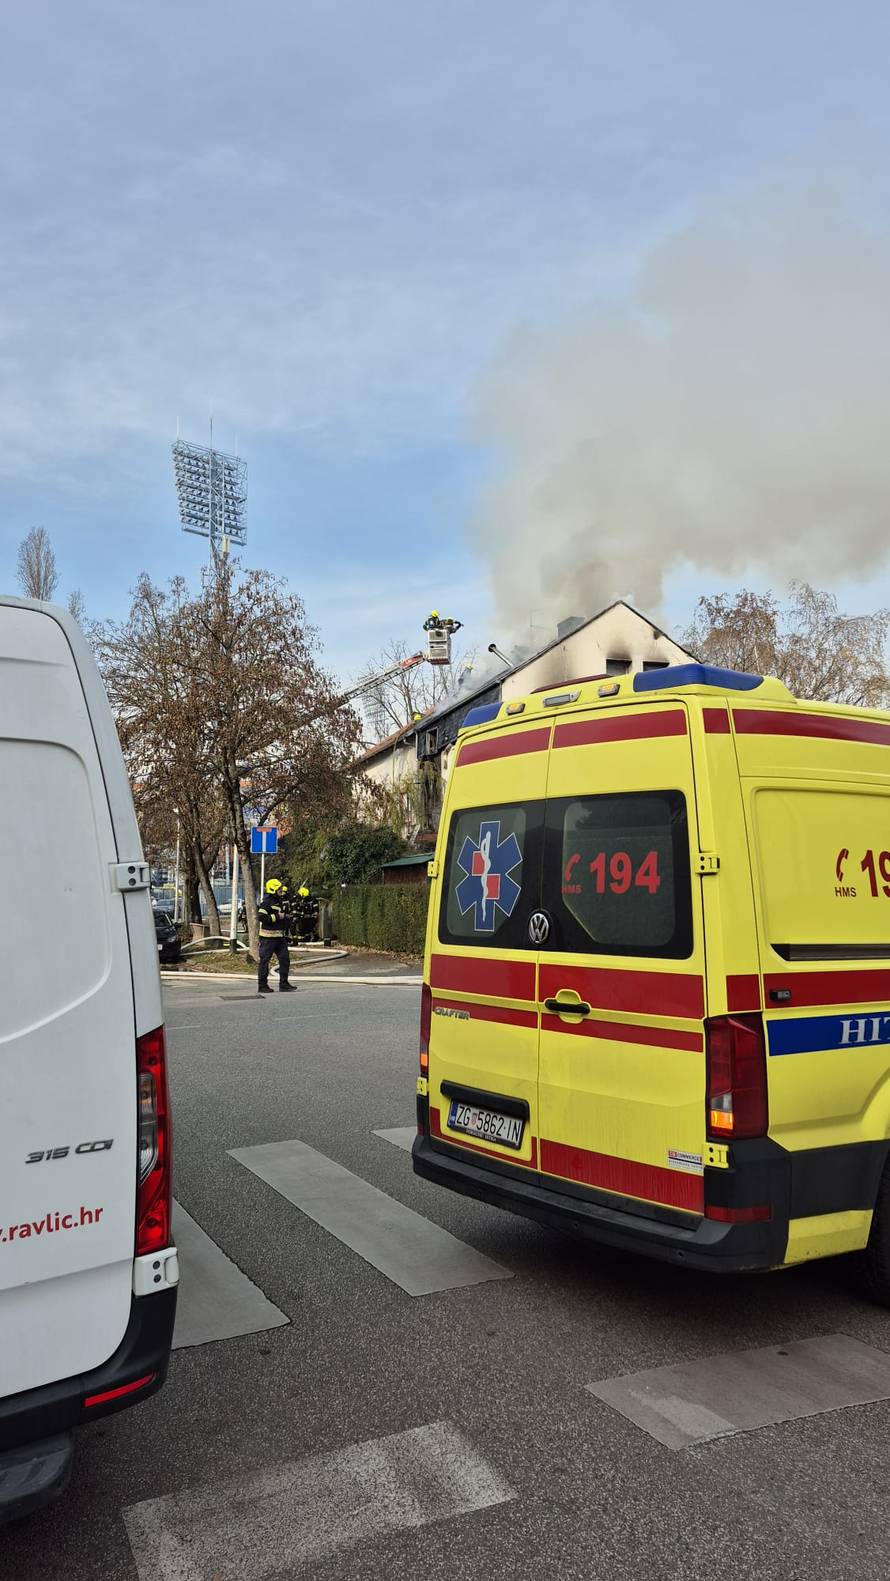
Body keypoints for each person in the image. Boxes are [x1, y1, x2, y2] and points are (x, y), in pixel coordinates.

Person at [256, 878, 295, 995]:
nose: (280, 890)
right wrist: (277, 917)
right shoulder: (267, 902)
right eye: (278, 888)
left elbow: (281, 915)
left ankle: (284, 984)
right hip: (268, 938)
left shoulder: (280, 901)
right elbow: (261, 917)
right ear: (273, 889)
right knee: (264, 961)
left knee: (285, 960)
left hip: (279, 937)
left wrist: (287, 917)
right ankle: (262, 986)